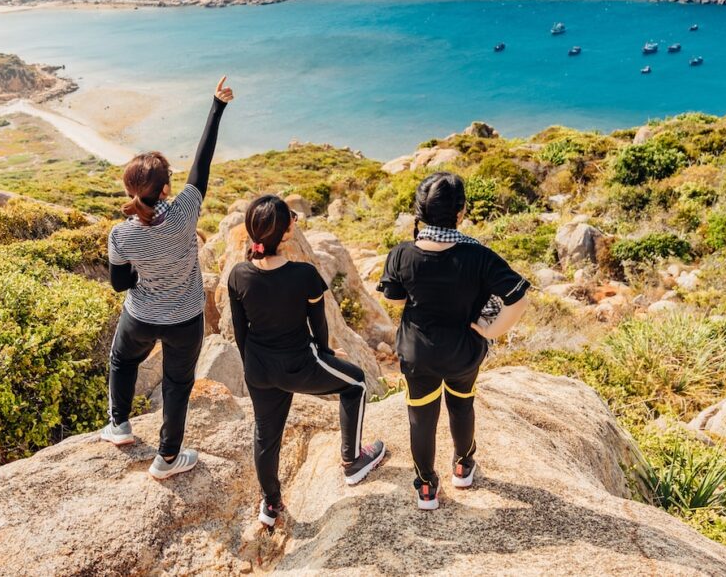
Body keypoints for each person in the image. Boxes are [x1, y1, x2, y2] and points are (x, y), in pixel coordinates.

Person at [98, 76, 234, 481]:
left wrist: (146, 276)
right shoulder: (185, 212)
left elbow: (120, 285)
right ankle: (168, 458)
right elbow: (202, 165)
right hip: (185, 319)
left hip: (140, 315)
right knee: (177, 384)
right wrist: (217, 105)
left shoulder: (120, 233)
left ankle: (119, 426)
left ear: (129, 188)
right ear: (167, 188)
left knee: (123, 361)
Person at [227, 195, 386, 526]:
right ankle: (354, 460)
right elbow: (318, 324)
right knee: (355, 382)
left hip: (258, 367)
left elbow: (241, 333)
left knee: (265, 436)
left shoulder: (238, 275)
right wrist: (327, 353)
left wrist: (254, 368)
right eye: (292, 220)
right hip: (299, 364)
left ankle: (270, 505)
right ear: (285, 234)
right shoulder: (303, 275)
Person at [378, 171, 530, 510]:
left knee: (421, 417)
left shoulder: (402, 254)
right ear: (460, 212)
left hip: (418, 354)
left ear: (419, 212)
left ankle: (426, 487)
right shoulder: (479, 256)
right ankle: (463, 465)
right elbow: (518, 300)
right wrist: (490, 331)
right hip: (464, 351)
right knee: (462, 404)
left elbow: (395, 298)